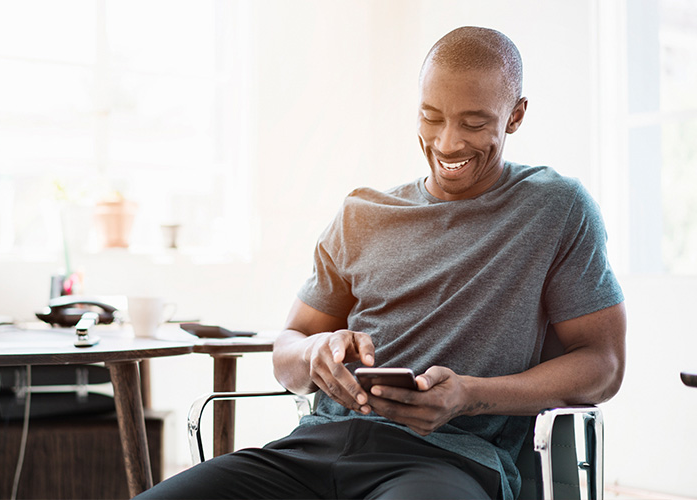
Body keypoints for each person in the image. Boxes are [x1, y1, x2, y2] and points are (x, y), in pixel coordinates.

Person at [137, 26, 626, 500]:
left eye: (474, 123)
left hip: (447, 460)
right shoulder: (361, 214)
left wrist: (468, 395)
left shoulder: (555, 209)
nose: (448, 142)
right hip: (316, 447)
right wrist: (316, 355)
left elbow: (602, 366)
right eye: (431, 117)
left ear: (515, 116)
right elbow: (286, 352)